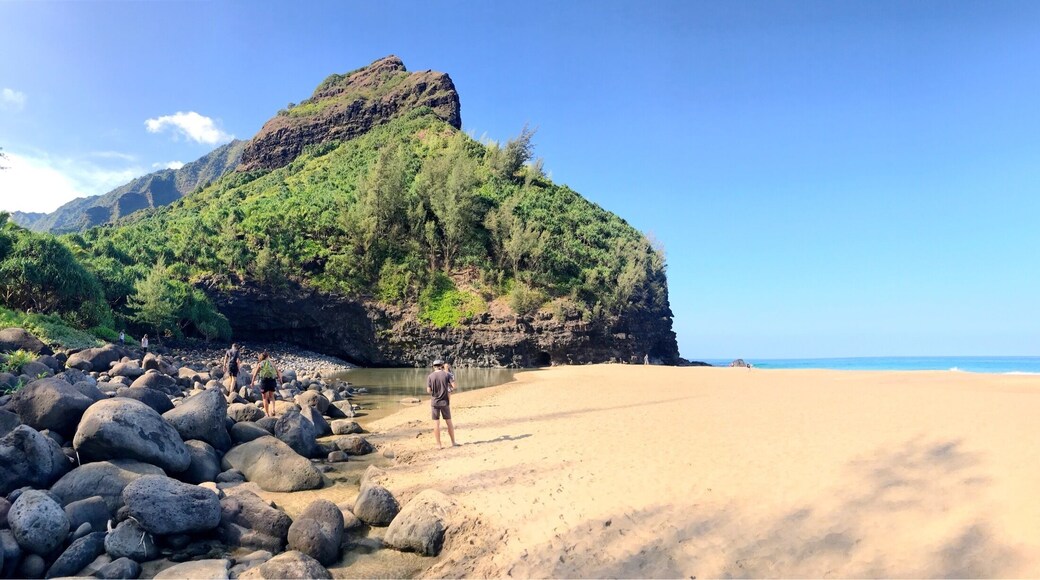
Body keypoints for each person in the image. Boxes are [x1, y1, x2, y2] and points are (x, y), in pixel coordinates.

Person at [426, 359, 456, 448]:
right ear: (442, 366)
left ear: (433, 367)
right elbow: (453, 386)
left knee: (436, 423)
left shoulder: (430, 376)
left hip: (435, 402)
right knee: (449, 422)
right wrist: (447, 389)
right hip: (445, 401)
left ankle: (438, 445)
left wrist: (435, 391)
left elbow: (428, 390)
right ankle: (453, 442)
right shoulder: (447, 374)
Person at [251, 352, 282, 417]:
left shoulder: (260, 364)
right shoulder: (272, 363)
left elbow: (255, 374)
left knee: (265, 398)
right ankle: (273, 409)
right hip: (272, 380)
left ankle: (267, 414)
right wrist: (280, 379)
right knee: (272, 396)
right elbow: (278, 372)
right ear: (267, 357)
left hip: (264, 381)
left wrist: (252, 382)